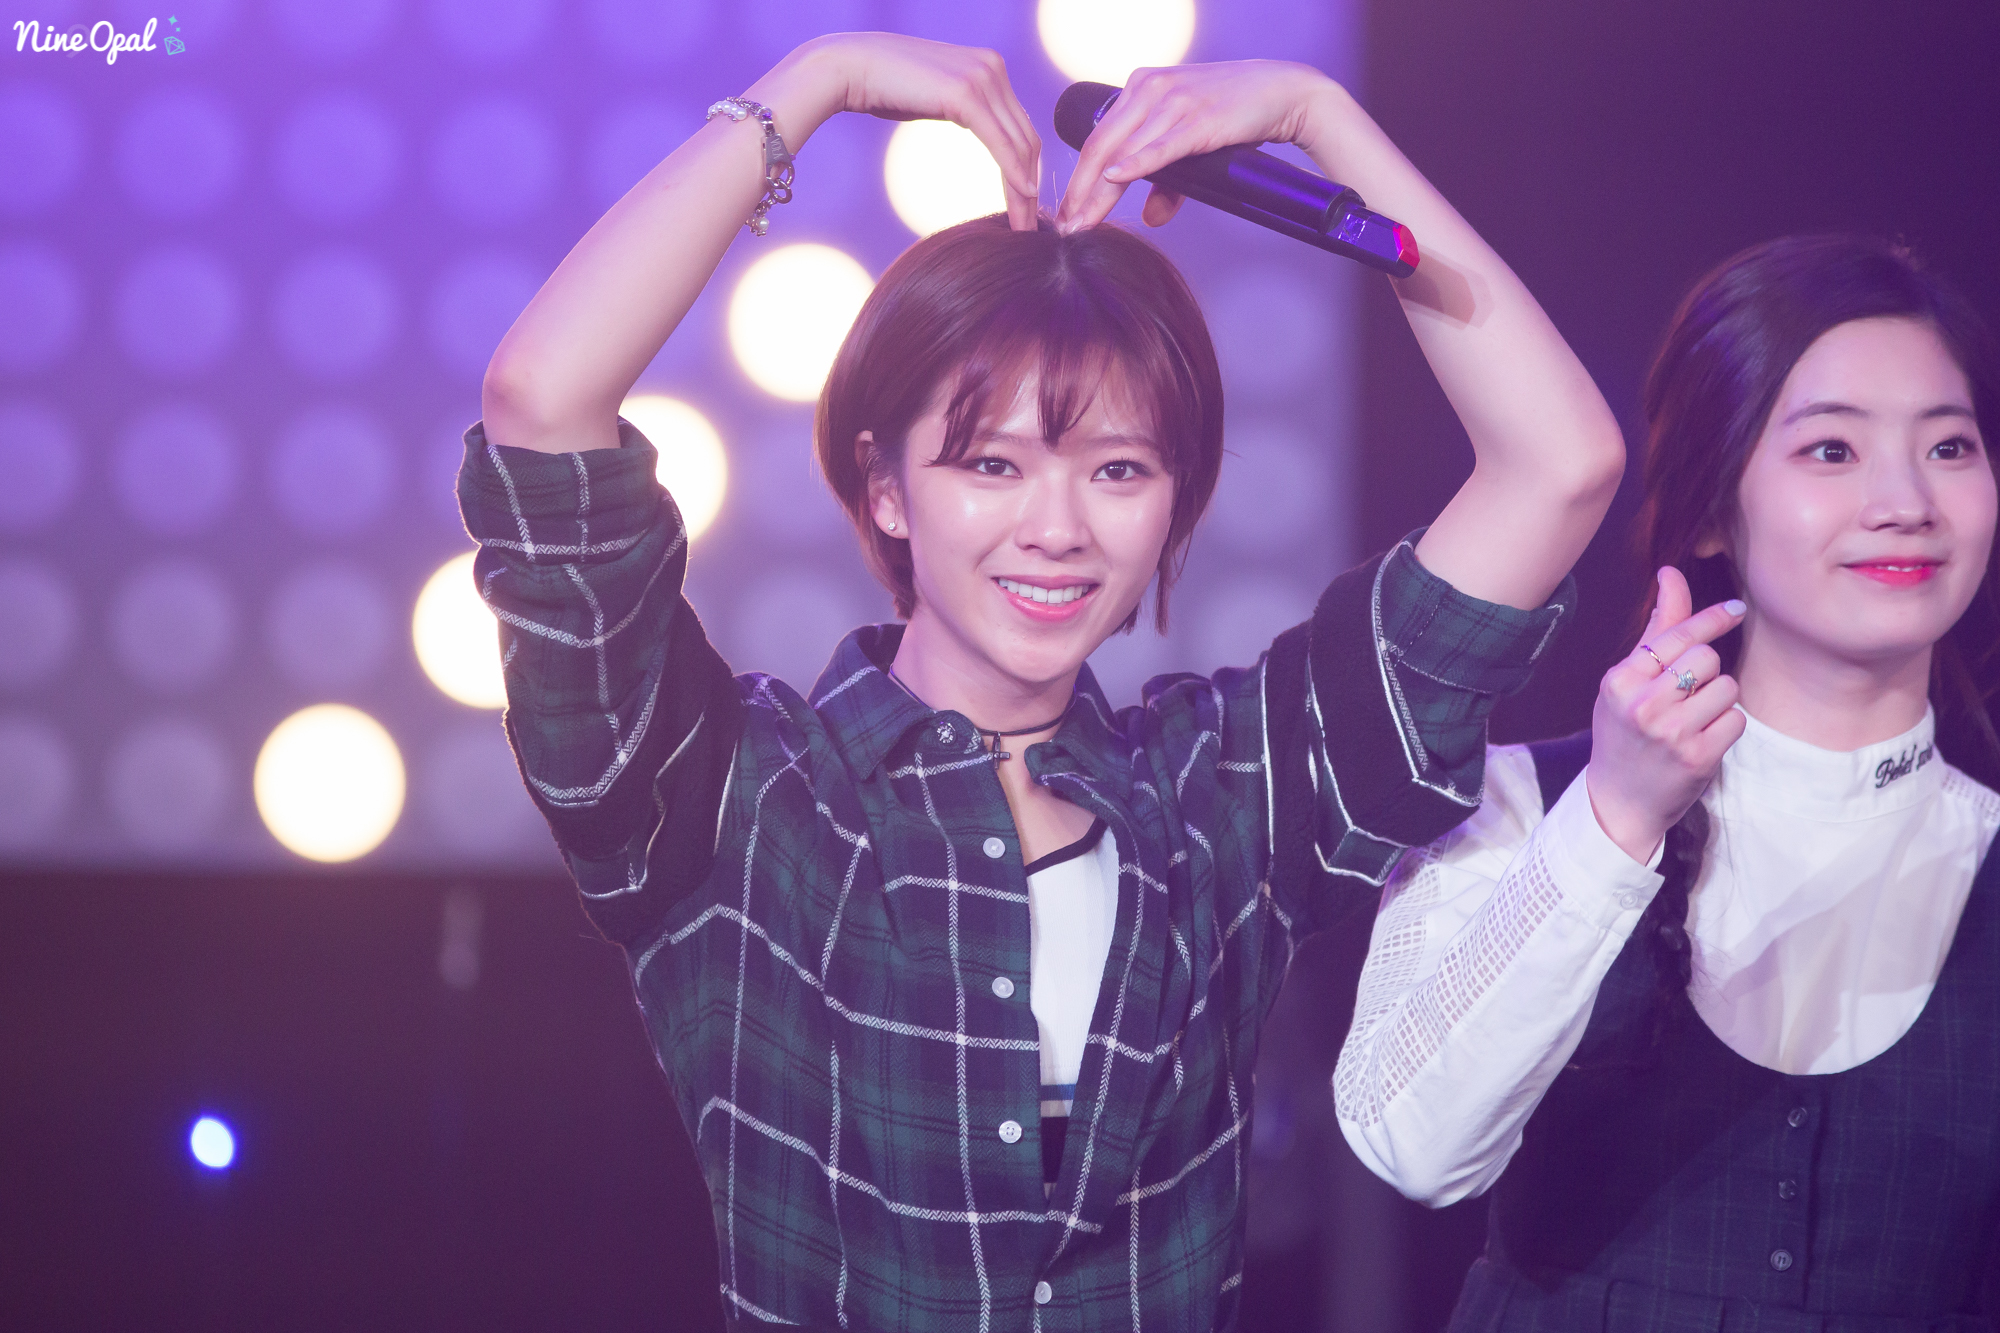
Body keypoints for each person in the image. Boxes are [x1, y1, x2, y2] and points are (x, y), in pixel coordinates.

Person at [465, 31, 1622, 1332]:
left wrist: (1316, 116)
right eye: (992, 465)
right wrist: (815, 84)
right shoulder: (741, 800)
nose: (1058, 528)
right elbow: (539, 402)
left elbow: (1558, 465)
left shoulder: (1220, 792)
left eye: (1118, 470)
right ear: (885, 487)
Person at [1333, 233, 2000, 1331]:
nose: (1905, 500)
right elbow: (1413, 1144)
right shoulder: (1519, 804)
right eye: (1832, 449)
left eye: (1949, 446)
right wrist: (1617, 818)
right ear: (1708, 509)